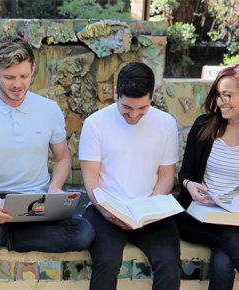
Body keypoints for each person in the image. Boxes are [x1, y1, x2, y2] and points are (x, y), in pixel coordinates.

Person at [0, 35, 94, 290]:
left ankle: (9, 236)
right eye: (9, 77)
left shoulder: (49, 109)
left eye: (24, 76)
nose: (18, 84)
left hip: (37, 199)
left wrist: (56, 187)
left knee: (84, 232)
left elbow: (63, 158)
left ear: (33, 68)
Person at [79, 62, 181, 290]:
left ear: (151, 96)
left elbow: (166, 177)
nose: (134, 115)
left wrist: (149, 211)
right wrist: (108, 213)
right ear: (116, 93)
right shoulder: (95, 124)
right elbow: (91, 180)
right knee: (106, 261)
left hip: (150, 210)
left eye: (142, 108)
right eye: (126, 107)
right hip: (106, 208)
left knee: (169, 262)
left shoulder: (166, 124)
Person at [176, 64, 239, 290]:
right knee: (230, 237)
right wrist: (190, 185)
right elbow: (184, 173)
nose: (222, 102)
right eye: (219, 95)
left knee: (223, 263)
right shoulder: (204, 125)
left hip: (233, 219)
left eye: (228, 95)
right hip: (195, 216)